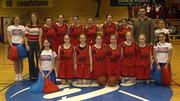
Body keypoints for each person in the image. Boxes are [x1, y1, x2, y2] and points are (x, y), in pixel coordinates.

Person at [7, 15, 26, 81]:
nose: (17, 21)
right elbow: (9, 36)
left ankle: (20, 75)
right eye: (15, 20)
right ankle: (17, 75)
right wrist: (11, 44)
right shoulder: (10, 27)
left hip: (20, 45)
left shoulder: (22, 27)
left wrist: (21, 43)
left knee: (20, 60)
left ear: (19, 20)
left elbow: (23, 37)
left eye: (18, 19)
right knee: (15, 61)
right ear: (13, 20)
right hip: (13, 45)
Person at [25, 12, 42, 81]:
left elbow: (40, 36)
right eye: (32, 17)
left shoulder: (39, 26)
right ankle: (32, 75)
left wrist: (40, 46)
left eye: (34, 17)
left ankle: (38, 74)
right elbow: (25, 36)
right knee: (31, 59)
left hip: (37, 43)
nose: (33, 18)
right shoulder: (28, 25)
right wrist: (26, 45)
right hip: (30, 43)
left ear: (37, 18)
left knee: (38, 59)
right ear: (30, 18)